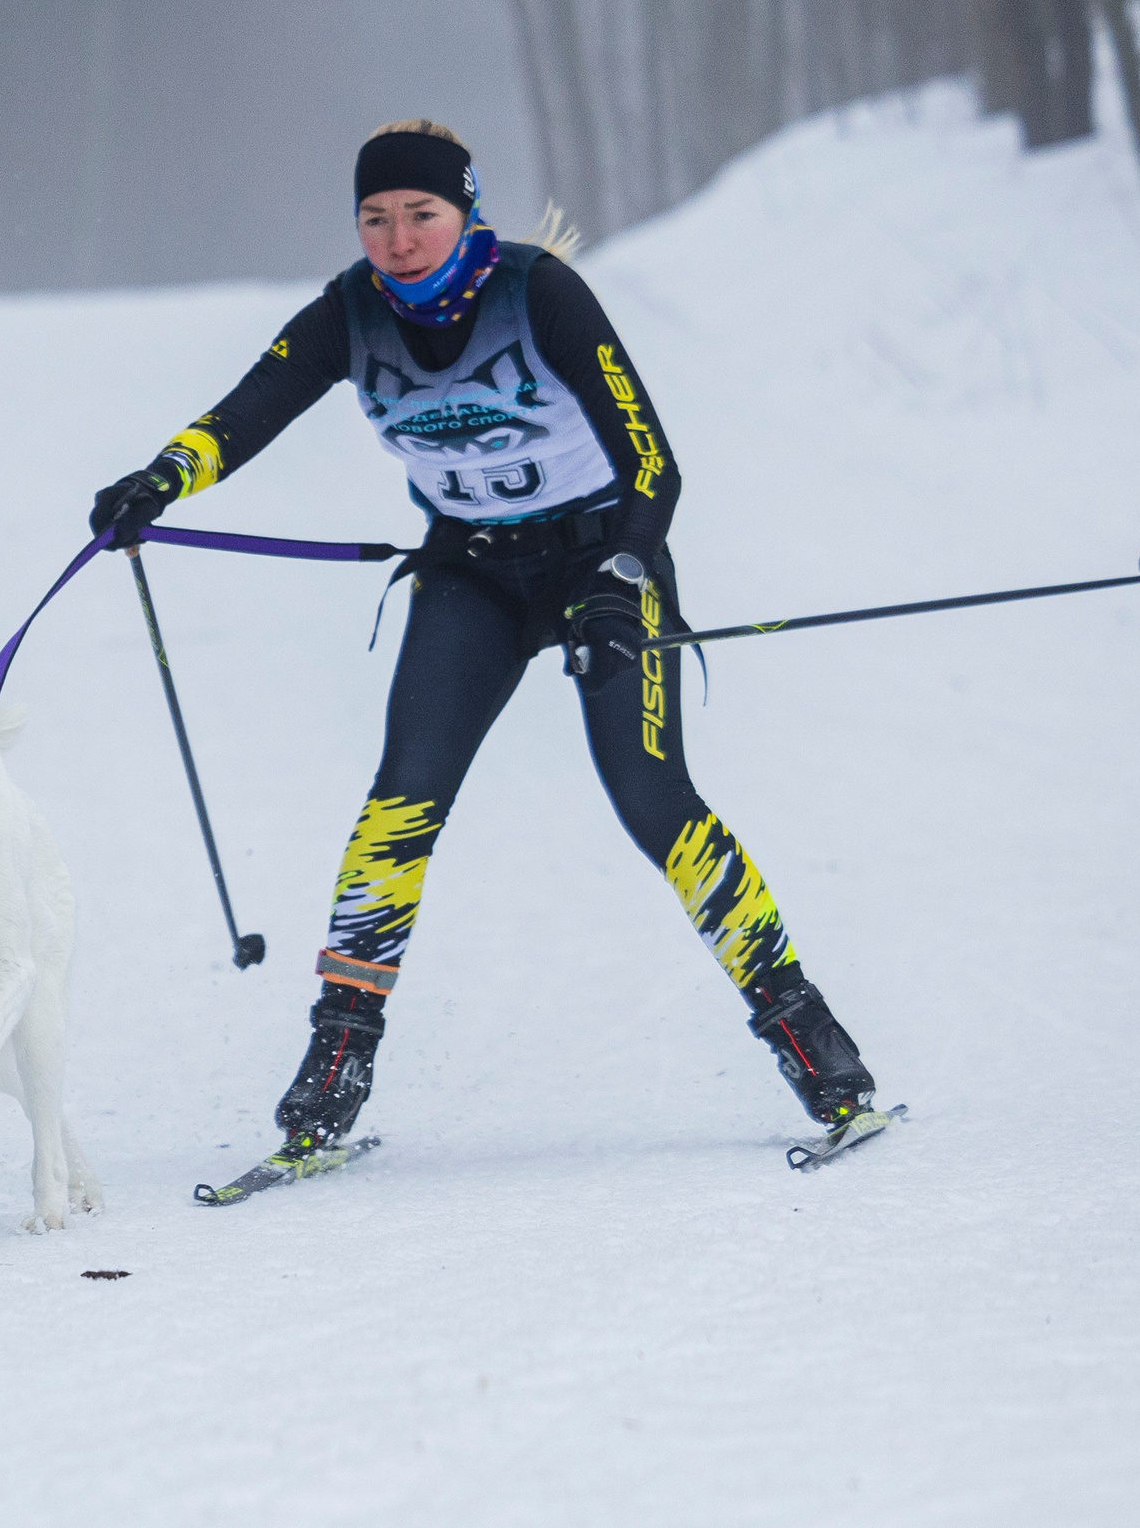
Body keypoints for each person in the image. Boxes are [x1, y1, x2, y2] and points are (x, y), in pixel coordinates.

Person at [88, 119, 876, 1155]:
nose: (397, 240)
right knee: (398, 802)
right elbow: (245, 412)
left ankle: (806, 1034)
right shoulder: (349, 312)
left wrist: (623, 571)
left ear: (464, 214)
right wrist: (159, 479)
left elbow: (654, 464)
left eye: (420, 215)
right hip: (472, 574)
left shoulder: (537, 290)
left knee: (651, 797)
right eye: (375, 218)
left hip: (603, 559)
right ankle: (338, 1052)